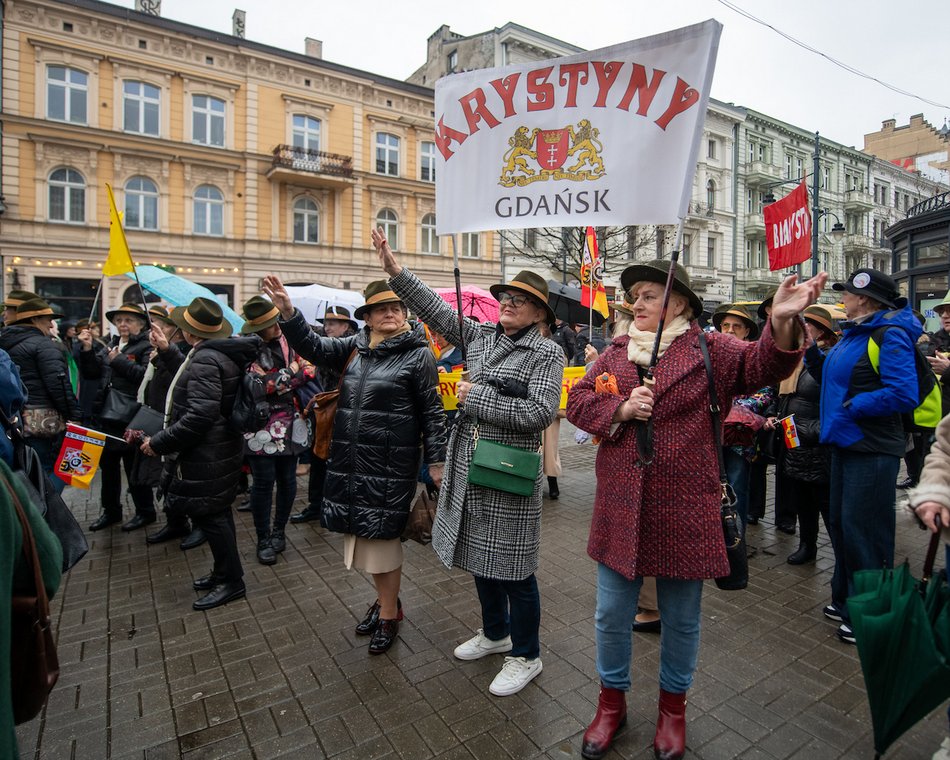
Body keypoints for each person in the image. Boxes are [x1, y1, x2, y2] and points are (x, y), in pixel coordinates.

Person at [566, 260, 821, 760]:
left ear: (679, 302)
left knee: (682, 619)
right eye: (633, 296)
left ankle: (672, 712)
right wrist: (618, 410)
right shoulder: (616, 353)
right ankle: (610, 704)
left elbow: (765, 365)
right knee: (610, 614)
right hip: (619, 506)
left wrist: (784, 321)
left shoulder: (711, 349)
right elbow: (576, 401)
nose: (634, 304)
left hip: (685, 506)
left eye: (645, 295)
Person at [372, 227, 563, 695]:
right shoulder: (481, 338)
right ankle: (496, 634)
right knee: (479, 556)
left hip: (510, 473)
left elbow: (538, 413)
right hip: (468, 468)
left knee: (515, 568)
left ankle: (526, 654)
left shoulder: (547, 352)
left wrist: (476, 400)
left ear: (539, 312)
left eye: (521, 299)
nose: (509, 302)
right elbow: (433, 308)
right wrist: (395, 272)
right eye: (507, 296)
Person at [263, 274, 447, 655]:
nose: (391, 314)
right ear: (367, 317)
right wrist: (288, 312)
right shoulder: (356, 346)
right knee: (364, 537)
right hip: (349, 461)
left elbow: (432, 411)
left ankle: (389, 613)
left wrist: (437, 461)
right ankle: (385, 603)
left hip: (390, 463)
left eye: (396, 307)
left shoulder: (418, 353)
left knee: (382, 542)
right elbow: (312, 345)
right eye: (382, 309)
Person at [807, 268, 920, 645]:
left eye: (847, 293)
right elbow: (833, 377)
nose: (842, 298)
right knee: (841, 524)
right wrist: (810, 352)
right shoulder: (855, 335)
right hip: (846, 443)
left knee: (866, 530)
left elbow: (904, 392)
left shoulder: (890, 336)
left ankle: (873, 612)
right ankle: (846, 599)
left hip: (871, 448)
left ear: (866, 299)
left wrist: (857, 405)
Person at [140, 298, 259, 611]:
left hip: (208, 451)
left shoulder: (206, 358)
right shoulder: (213, 352)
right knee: (216, 513)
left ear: (190, 333)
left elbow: (200, 415)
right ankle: (225, 572)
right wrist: (166, 350)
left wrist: (160, 442)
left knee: (213, 516)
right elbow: (191, 375)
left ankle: (232, 581)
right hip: (218, 449)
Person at [239, 295, 315, 565]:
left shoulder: (290, 340)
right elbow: (261, 385)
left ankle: (278, 532)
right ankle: (263, 538)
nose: (277, 327)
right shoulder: (247, 348)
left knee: (288, 480)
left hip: (292, 422)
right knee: (262, 483)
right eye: (271, 324)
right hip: (260, 426)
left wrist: (287, 373)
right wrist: (292, 370)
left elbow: (310, 370)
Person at [771, 305, 837, 565]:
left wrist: (813, 432)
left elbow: (835, 402)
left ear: (821, 331)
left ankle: (841, 555)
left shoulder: (829, 359)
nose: (801, 330)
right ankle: (807, 545)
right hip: (793, 436)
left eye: (806, 325)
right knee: (802, 499)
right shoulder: (796, 356)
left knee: (826, 503)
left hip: (817, 443)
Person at [79, 303, 154, 531]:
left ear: (140, 324)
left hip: (131, 417)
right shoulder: (112, 343)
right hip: (107, 416)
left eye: (128, 320)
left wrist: (118, 360)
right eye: (119, 320)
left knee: (133, 468)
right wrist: (87, 350)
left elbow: (144, 376)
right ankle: (111, 511)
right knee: (108, 468)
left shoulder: (145, 346)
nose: (123, 324)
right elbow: (93, 373)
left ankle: (145, 511)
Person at [0, 298, 81, 491]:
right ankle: (46, 514)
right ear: (35, 320)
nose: (52, 324)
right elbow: (59, 384)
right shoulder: (44, 345)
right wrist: (75, 416)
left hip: (16, 421)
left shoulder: (6, 341)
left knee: (28, 470)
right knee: (55, 470)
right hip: (44, 421)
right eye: (48, 320)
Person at [290, 305, 358, 525]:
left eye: (332, 323)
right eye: (326, 323)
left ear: (346, 326)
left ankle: (335, 507)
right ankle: (316, 505)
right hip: (327, 409)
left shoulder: (354, 347)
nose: (327, 327)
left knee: (338, 462)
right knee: (319, 457)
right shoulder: (324, 345)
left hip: (345, 412)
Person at [713, 305, 773, 532]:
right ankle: (716, 539)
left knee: (737, 487)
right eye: (725, 326)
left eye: (736, 326)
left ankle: (736, 540)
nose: (729, 330)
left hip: (741, 438)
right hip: (713, 435)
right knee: (712, 488)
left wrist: (733, 410)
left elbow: (766, 393)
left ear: (746, 331)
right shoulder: (711, 355)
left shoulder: (755, 355)